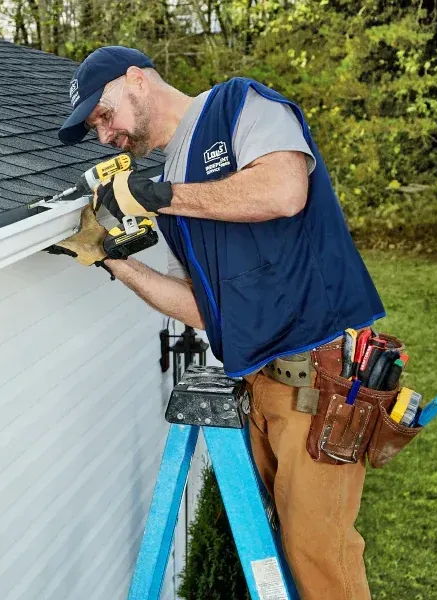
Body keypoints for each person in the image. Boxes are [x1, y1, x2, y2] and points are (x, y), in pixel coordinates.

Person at [52, 46, 385, 599]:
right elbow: (207, 309)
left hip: (319, 377)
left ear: (137, 79)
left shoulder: (240, 105)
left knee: (320, 556)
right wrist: (114, 262)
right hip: (263, 386)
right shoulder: (173, 189)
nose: (105, 135)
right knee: (286, 553)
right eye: (95, 130)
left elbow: (283, 191)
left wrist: (160, 197)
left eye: (104, 115)